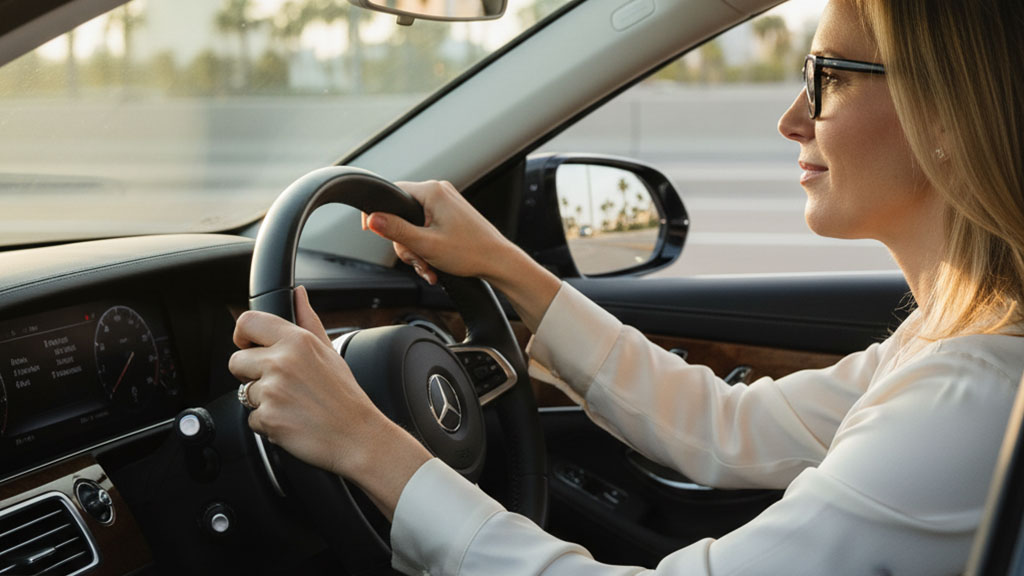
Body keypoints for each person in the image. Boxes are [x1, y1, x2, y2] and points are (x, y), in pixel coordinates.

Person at [228, 0, 1024, 573]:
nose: (791, 118)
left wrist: (366, 445)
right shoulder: (951, 342)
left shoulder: (969, 397)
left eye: (827, 78)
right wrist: (505, 265)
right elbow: (726, 427)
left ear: (944, 112)